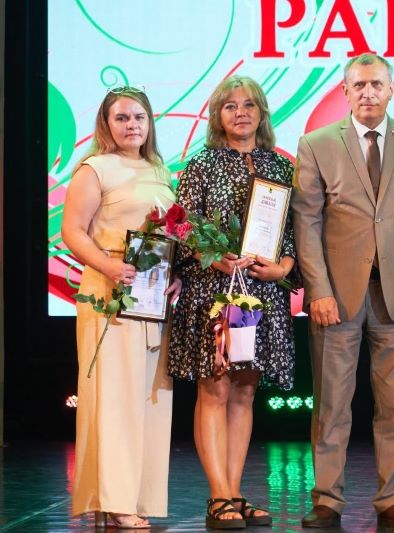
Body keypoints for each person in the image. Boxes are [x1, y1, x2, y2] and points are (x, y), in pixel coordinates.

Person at [292, 53, 394, 529]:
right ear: (344, 91)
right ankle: (327, 500)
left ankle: (392, 499)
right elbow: (306, 223)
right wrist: (317, 289)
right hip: (335, 297)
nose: (368, 93)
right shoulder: (316, 144)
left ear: (391, 89)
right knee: (332, 404)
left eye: (376, 84)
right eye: (358, 85)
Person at [168, 75, 296, 529]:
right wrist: (211, 256)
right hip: (213, 289)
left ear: (262, 113)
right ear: (217, 116)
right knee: (216, 388)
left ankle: (235, 493)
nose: (240, 113)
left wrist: (284, 266)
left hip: (261, 290)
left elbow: (292, 231)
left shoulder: (280, 167)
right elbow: (181, 226)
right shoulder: (201, 164)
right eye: (230, 106)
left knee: (244, 390)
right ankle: (218, 495)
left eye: (248, 105)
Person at [63, 86, 181, 529]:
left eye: (139, 117)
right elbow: (73, 231)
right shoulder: (95, 168)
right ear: (106, 124)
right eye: (122, 118)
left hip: (152, 298)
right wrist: (109, 265)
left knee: (150, 400)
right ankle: (114, 498)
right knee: (114, 399)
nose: (132, 125)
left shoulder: (160, 170)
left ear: (150, 123)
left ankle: (139, 496)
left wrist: (174, 275)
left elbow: (168, 236)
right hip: (109, 295)